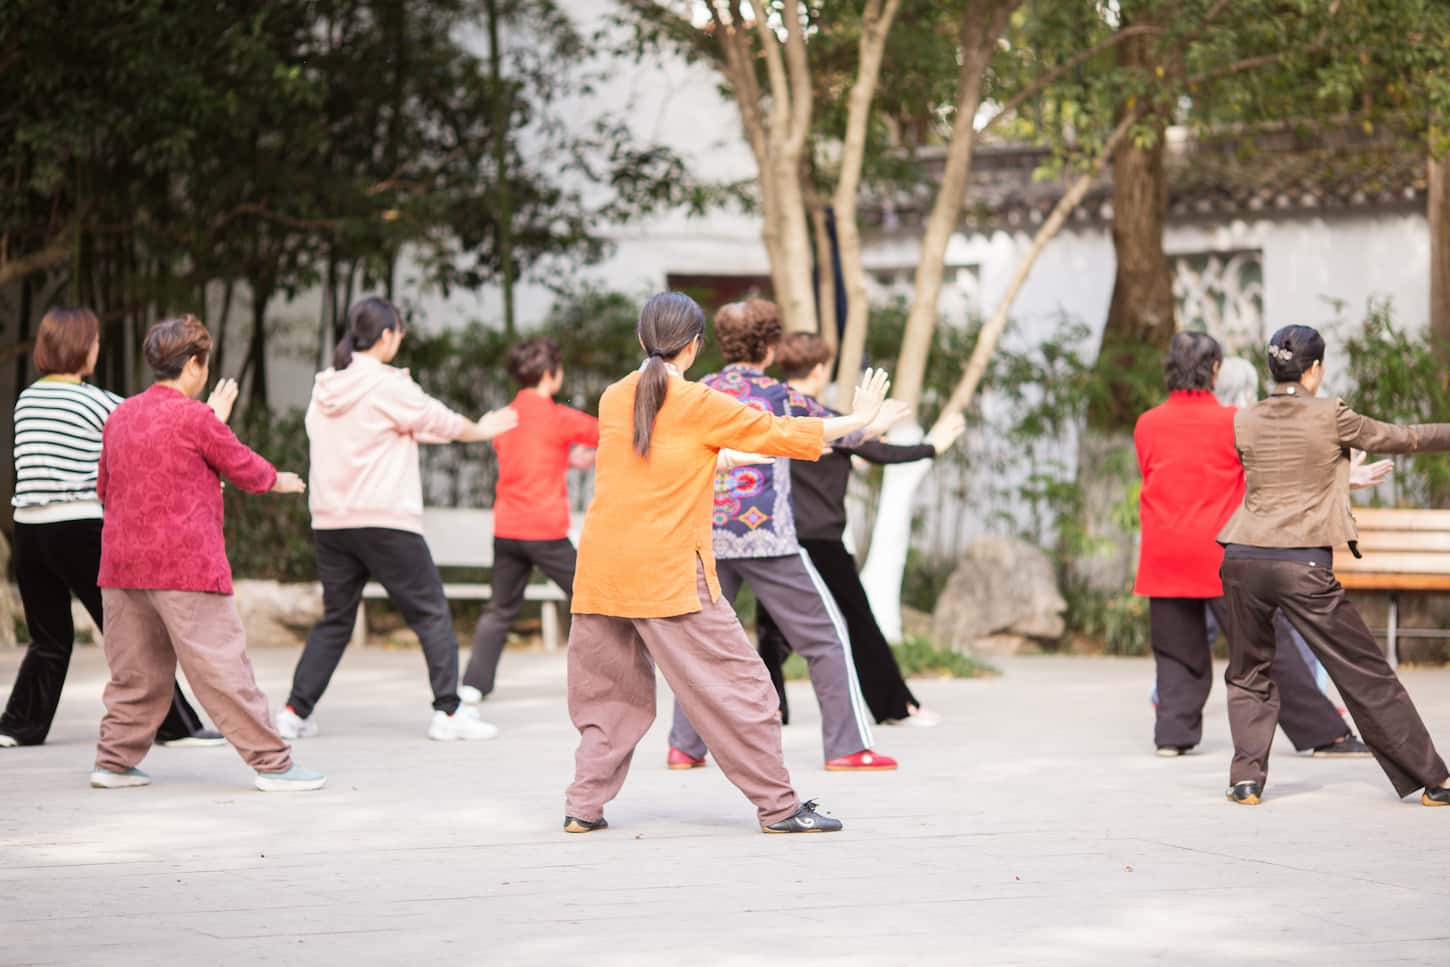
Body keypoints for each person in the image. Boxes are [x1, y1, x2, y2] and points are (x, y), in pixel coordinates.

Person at [564, 290, 893, 834]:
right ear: (694, 346)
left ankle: (583, 806)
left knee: (611, 696)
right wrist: (858, 418)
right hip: (667, 571)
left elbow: (662, 459)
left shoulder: (614, 396)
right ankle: (781, 807)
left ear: (641, 340)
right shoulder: (697, 402)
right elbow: (780, 431)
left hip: (601, 570)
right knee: (743, 686)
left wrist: (726, 453)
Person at [1219, 324, 1450, 806]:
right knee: (1365, 673)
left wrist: (1343, 480)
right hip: (1300, 565)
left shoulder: (1245, 420)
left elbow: (1282, 483)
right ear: (1315, 369)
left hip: (1242, 558)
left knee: (1248, 671)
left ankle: (1245, 781)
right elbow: (1403, 438)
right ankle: (1434, 780)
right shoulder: (1330, 414)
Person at [90, 315, 323, 791]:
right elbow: (239, 463)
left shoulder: (120, 416)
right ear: (195, 364)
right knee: (221, 668)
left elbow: (104, 488)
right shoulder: (195, 417)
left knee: (135, 672)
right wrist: (276, 479)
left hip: (122, 566)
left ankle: (113, 762)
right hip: (185, 565)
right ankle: (272, 763)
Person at [668, 299, 903, 772]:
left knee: (698, 644)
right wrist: (873, 422)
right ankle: (846, 747)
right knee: (826, 636)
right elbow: (835, 435)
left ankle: (684, 747)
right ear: (771, 347)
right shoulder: (778, 395)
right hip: (767, 539)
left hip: (707, 537)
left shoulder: (700, 391)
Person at [278, 297, 517, 743]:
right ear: (387, 336)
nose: (400, 339)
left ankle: (295, 712)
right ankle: (448, 712)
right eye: (399, 332)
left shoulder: (327, 388)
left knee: (336, 619)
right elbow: (440, 421)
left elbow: (401, 427)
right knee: (430, 613)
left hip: (331, 523)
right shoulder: (388, 385)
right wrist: (484, 428)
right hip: (384, 520)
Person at [1134, 331, 1370, 760]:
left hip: (1163, 553)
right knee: (1269, 648)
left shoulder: (1147, 423)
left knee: (1175, 651)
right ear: (1216, 369)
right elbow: (1271, 473)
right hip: (1220, 553)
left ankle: (1173, 735)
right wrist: (1340, 478)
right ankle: (1324, 735)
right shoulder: (1233, 421)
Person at [0, 307, 222, 751]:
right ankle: (174, 726)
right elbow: (154, 427)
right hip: (80, 527)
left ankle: (16, 727)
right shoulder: (98, 402)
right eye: (96, 341)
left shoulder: (26, 399)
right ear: (81, 348)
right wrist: (211, 416)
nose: (99, 348)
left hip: (28, 530)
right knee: (134, 632)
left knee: (48, 637)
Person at [755, 332, 966, 727]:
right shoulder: (827, 420)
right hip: (820, 541)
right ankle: (894, 706)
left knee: (773, 630)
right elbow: (879, 451)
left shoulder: (769, 416)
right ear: (819, 371)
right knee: (858, 622)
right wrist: (932, 446)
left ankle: (770, 709)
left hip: (775, 540)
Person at [460, 337, 598, 703]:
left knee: (500, 609)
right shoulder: (559, 416)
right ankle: (606, 678)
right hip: (546, 532)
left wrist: (565, 459)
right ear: (550, 375)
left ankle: (473, 685)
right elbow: (609, 434)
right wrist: (581, 455)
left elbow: (527, 457)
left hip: (507, 530)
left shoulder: (506, 416)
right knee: (591, 598)